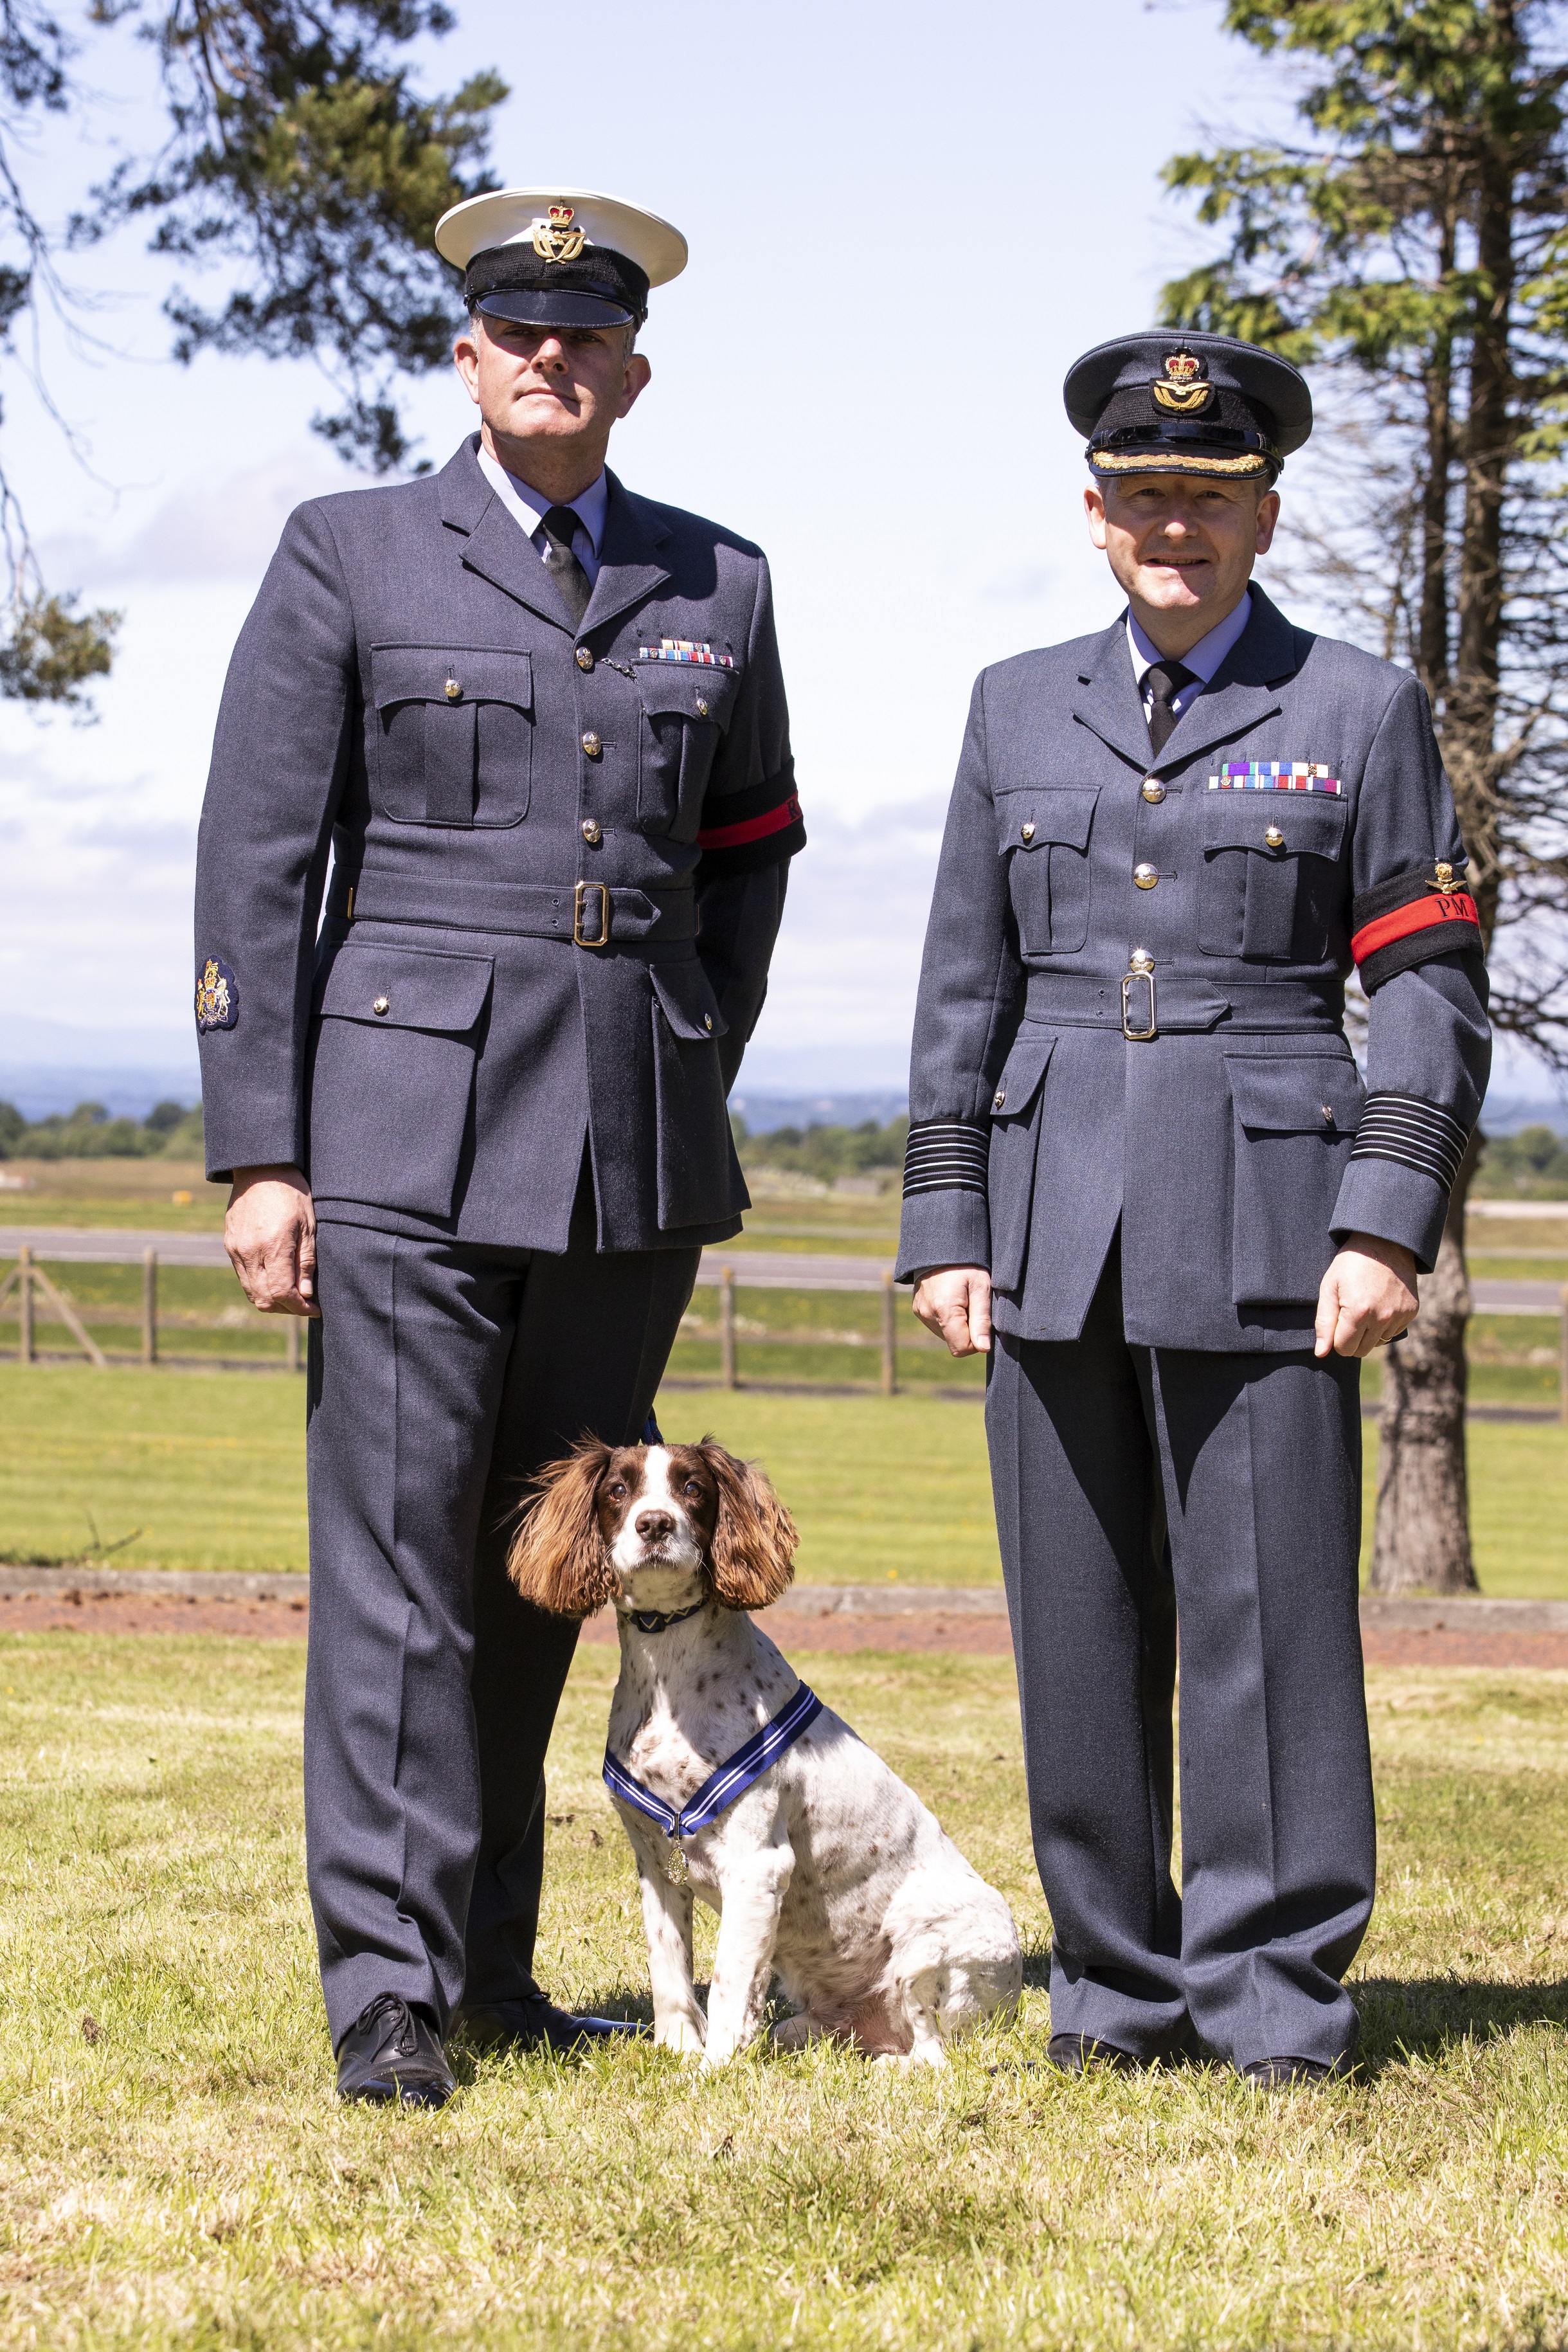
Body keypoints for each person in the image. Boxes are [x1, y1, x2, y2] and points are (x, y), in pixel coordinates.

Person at [193, 186, 804, 2106]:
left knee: (553, 1567)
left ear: (633, 366)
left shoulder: (724, 583)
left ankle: (485, 1967)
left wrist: (689, 1057)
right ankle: (384, 1988)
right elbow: (260, 858)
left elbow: (749, 859)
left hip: (625, 1145)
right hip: (401, 1136)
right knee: (393, 1572)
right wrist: (260, 1151)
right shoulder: (351, 552)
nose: (553, 360)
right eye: (517, 332)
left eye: (587, 335)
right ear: (468, 357)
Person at [897, 331, 1489, 2086]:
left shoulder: (1359, 710)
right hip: (1049, 1206)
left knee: (1272, 1625)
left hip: (1272, 1215)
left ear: (1265, 513)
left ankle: (1271, 1992)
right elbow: (959, 983)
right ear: (1094, 514)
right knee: (1075, 1621)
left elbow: (1433, 990)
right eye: (1147, 495)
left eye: (1210, 497)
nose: (1178, 524)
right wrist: (944, 1219)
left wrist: (1387, 1217)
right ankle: (1114, 1985)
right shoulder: (1013, 705)